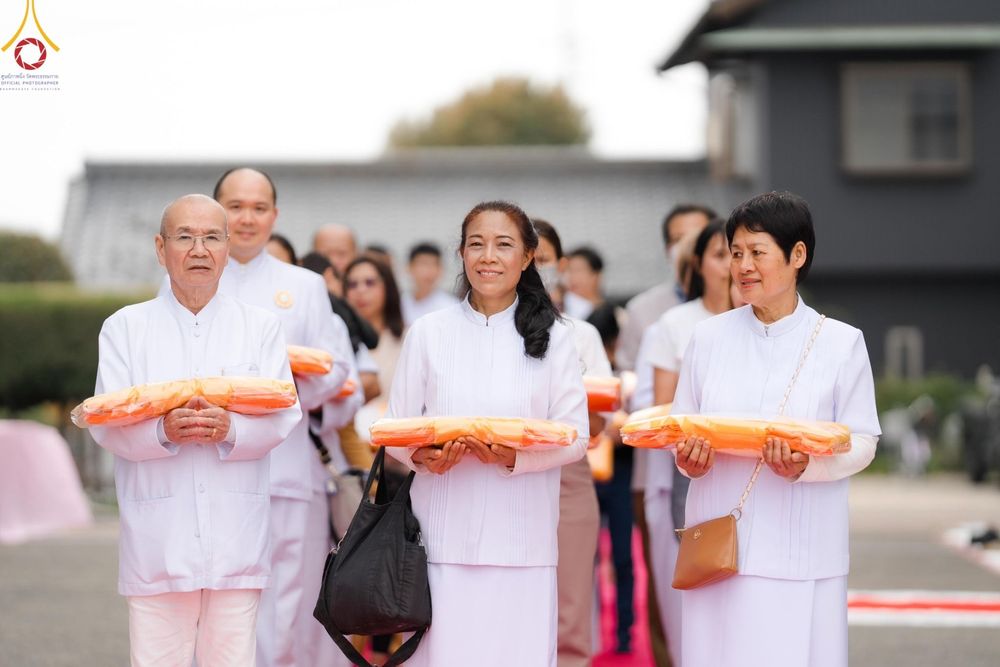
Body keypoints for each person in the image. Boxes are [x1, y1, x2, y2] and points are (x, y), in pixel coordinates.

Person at [91, 194, 301, 667]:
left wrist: (231, 429)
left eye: (211, 237)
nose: (199, 250)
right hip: (158, 539)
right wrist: (162, 431)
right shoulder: (125, 328)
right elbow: (106, 423)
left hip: (236, 539)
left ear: (228, 247)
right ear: (161, 248)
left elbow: (285, 413)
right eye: (185, 237)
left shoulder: (261, 327)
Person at [672, 192, 880, 666]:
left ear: (797, 255)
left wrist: (806, 467)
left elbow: (863, 441)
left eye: (757, 252)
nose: (743, 266)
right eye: (735, 253)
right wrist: (688, 460)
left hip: (803, 546)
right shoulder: (708, 338)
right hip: (720, 545)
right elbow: (683, 428)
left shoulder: (840, 343)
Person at [386, 201, 589, 666]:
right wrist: (422, 457)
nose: (488, 257)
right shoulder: (428, 332)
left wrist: (512, 457)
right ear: (460, 253)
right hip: (439, 539)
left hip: (524, 540)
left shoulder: (556, 338)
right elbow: (395, 428)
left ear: (528, 256)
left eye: (503, 245)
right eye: (476, 244)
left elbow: (575, 437)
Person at [212, 167, 355, 667]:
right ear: (216, 212)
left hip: (290, 469)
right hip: (211, 465)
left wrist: (285, 380)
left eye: (258, 207)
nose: (246, 218)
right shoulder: (191, 279)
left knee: (288, 602)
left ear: (275, 215)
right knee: (219, 600)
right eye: (235, 206)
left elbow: (334, 369)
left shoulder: (306, 285)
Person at [613, 203, 713, 667]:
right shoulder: (657, 317)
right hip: (666, 474)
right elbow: (642, 397)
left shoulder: (756, 319)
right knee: (674, 596)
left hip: (741, 480)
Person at [643, 219, 741, 665]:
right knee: (697, 597)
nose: (733, 266)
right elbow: (665, 410)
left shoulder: (766, 325)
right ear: (698, 264)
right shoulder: (678, 324)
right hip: (693, 469)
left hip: (760, 473)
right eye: (722, 255)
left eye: (742, 254)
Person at [534, 219, 612, 667]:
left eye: (542, 259)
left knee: (570, 609)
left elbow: (598, 423)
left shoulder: (582, 336)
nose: (533, 269)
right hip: (496, 470)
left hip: (568, 476)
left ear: (561, 266)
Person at [401, 242, 459, 326]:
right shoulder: (400, 303)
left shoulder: (450, 306)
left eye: (434, 264)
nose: (428, 271)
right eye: (423, 264)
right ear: (409, 267)